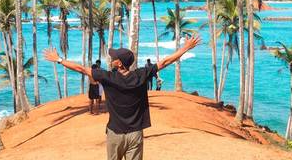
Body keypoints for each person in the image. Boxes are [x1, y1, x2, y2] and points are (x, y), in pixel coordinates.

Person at [44, 35, 201, 160]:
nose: (112, 58)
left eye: (114, 58)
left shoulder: (107, 77)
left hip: (115, 134)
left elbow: (80, 68)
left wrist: (59, 60)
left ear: (119, 64)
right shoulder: (141, 75)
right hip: (135, 134)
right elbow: (165, 62)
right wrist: (185, 48)